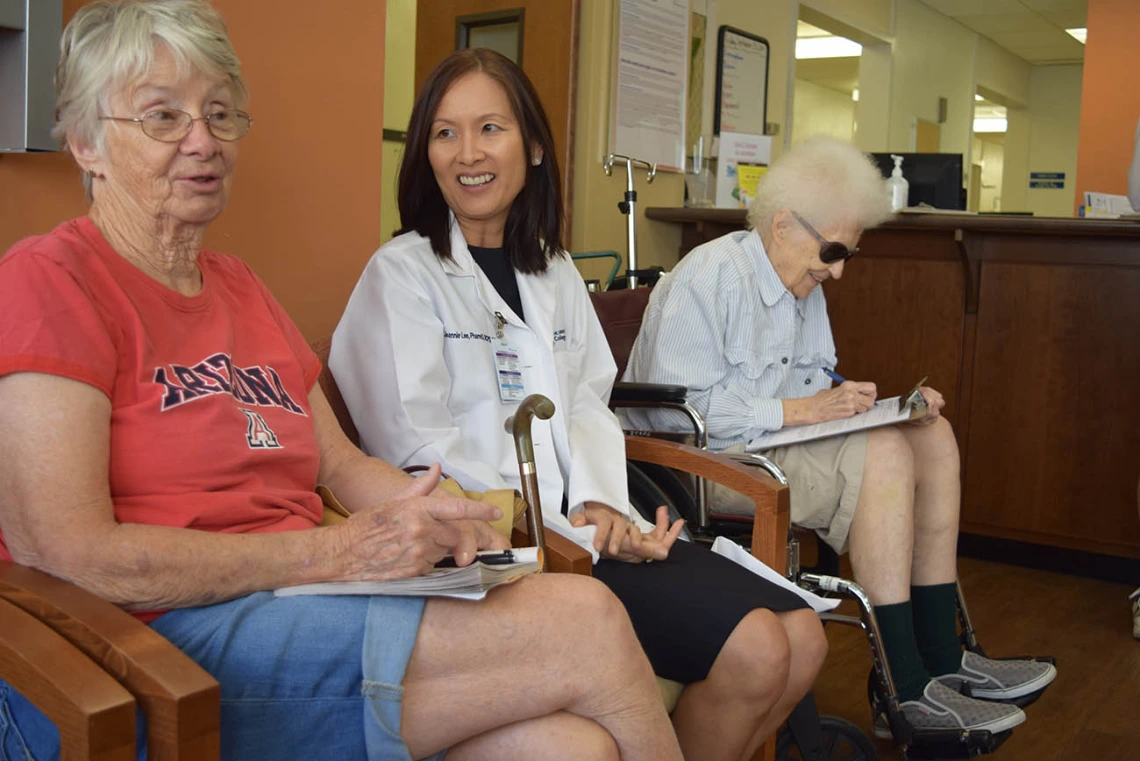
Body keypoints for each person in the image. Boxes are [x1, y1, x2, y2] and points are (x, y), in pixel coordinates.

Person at [0, 3, 688, 760]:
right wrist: (332, 556)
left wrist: (446, 515)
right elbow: (66, 549)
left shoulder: (240, 289)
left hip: (303, 598)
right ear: (86, 142)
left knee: (571, 747)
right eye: (163, 117)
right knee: (586, 620)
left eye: (220, 114)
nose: (203, 141)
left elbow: (342, 464)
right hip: (164, 645)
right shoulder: (49, 281)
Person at [329, 48, 829, 761]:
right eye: (445, 132)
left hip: (587, 534)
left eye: (490, 128)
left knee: (803, 639)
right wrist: (570, 529)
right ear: (424, 151)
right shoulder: (402, 275)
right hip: (505, 555)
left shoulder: (553, 267)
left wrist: (601, 505)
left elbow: (592, 401)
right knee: (755, 646)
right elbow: (419, 450)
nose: (467, 153)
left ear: (533, 146)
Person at [623, 135, 1057, 737]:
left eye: (849, 252)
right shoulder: (711, 277)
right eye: (832, 251)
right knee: (882, 454)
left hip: (768, 446)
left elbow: (816, 387)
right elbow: (681, 414)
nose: (839, 270)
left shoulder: (804, 285)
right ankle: (902, 688)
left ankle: (942, 654)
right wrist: (809, 412)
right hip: (698, 465)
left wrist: (885, 407)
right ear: (782, 226)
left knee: (932, 435)